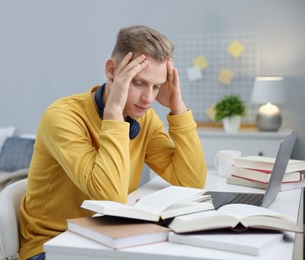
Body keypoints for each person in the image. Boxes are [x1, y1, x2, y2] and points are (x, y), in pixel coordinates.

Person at [18, 25, 206, 260]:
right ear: (111, 71)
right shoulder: (62, 117)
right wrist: (114, 111)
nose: (148, 98)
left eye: (156, 86)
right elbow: (110, 198)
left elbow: (191, 182)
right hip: (52, 246)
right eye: (138, 83)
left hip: (110, 239)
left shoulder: (143, 117)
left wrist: (178, 108)